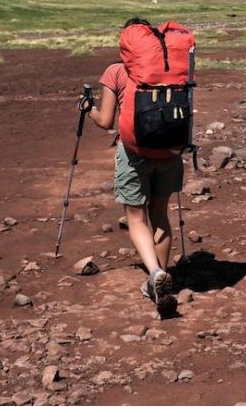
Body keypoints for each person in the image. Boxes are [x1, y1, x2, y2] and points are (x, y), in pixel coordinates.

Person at [90, 17, 183, 314]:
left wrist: (88, 109)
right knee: (160, 215)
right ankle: (160, 282)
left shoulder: (116, 71)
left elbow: (106, 121)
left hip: (134, 154)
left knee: (136, 218)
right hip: (168, 152)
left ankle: (154, 273)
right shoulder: (169, 70)